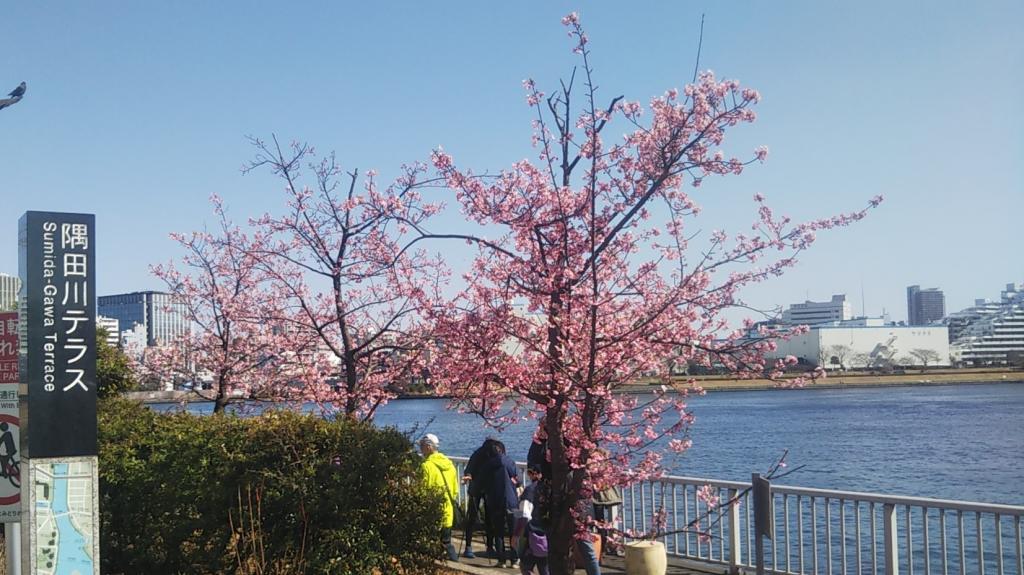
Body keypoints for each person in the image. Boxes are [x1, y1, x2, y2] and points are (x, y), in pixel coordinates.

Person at [419, 433, 459, 562]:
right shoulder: (450, 465)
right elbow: (455, 490)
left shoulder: (426, 466)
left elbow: (423, 489)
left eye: (422, 446)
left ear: (429, 447)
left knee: (432, 543)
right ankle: (454, 561)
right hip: (448, 511)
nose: (420, 448)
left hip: (433, 512)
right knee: (446, 541)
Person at [479, 440, 519, 567]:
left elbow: (483, 481)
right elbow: (515, 474)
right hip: (511, 500)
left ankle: (501, 560)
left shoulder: (487, 465)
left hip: (495, 500)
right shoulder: (509, 461)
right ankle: (515, 559)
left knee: (499, 531)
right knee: (514, 531)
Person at [462, 437, 502, 558]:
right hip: (487, 489)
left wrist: (469, 476)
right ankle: (489, 547)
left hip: (475, 488)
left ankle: (468, 547)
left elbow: (468, 469)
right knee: (489, 518)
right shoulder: (493, 455)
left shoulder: (477, 453)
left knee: (472, 518)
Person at [515, 465, 549, 575]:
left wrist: (516, 534)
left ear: (534, 474)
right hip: (548, 533)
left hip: (532, 533)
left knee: (525, 566)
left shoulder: (530, 490)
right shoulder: (549, 489)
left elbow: (524, 515)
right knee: (544, 566)